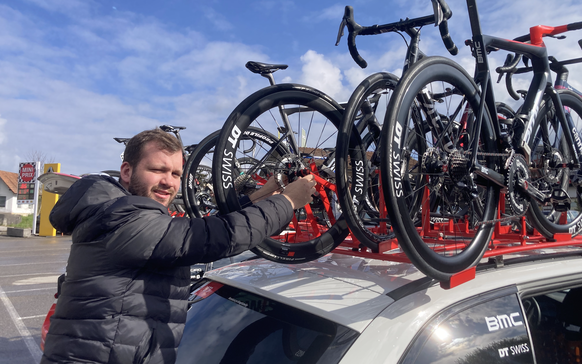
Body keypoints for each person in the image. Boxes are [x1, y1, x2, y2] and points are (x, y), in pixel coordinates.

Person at [40, 128, 316, 364]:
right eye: (157, 170)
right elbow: (213, 236)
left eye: (175, 173)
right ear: (127, 170)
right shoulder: (121, 218)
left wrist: (262, 195)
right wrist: (287, 202)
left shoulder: (117, 210)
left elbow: (202, 226)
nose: (168, 182)